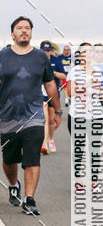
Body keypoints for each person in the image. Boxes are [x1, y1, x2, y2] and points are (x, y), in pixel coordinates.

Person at [0, 17, 60, 215]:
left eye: (27, 28)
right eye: (19, 28)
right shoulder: (3, 56)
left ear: (31, 32)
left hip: (34, 115)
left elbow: (50, 84)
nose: (24, 31)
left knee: (32, 156)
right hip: (7, 117)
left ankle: (29, 199)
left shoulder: (40, 57)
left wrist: (57, 110)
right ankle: (14, 184)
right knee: (9, 159)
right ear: (12, 34)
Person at [40, 41, 67, 153]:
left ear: (51, 50)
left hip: (53, 92)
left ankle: (51, 139)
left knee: (51, 120)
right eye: (44, 50)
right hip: (41, 93)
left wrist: (53, 73)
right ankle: (44, 143)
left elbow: (64, 75)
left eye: (48, 50)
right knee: (45, 119)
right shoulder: (37, 60)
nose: (46, 52)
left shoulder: (56, 61)